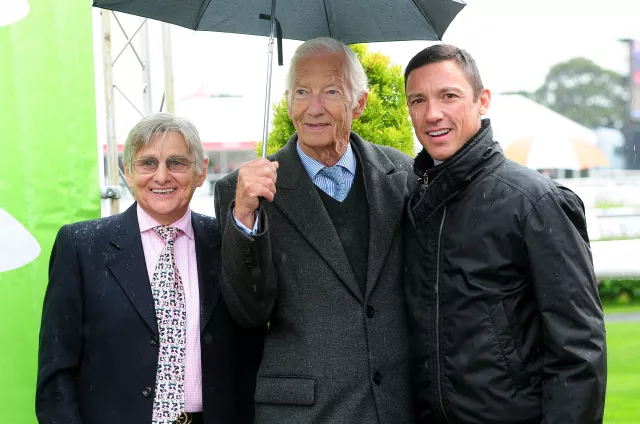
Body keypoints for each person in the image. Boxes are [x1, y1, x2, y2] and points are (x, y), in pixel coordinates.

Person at [214, 37, 416, 423]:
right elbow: (248, 312)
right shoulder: (244, 191)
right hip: (303, 412)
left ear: (360, 103)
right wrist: (244, 217)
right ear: (288, 102)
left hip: (396, 406)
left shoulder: (403, 175)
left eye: (332, 91)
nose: (314, 107)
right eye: (302, 91)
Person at [402, 44, 607, 424]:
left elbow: (579, 350)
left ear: (483, 100)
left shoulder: (535, 202)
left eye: (449, 96)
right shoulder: (414, 202)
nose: (433, 114)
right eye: (418, 100)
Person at [36, 113, 263, 424]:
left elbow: (254, 349)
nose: (162, 176)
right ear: (127, 172)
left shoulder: (228, 241)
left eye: (177, 163)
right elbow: (56, 374)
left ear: (200, 171)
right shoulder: (81, 246)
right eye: (147, 163)